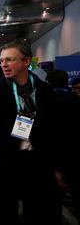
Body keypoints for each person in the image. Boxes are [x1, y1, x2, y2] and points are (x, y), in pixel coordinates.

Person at [0, 40, 62, 225]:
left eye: (10, 59)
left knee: (40, 212)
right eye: (2, 60)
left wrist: (57, 166)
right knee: (6, 213)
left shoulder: (43, 90)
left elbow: (53, 130)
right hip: (5, 162)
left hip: (36, 161)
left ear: (26, 61)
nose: (4, 64)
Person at [46, 70, 80, 222]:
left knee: (53, 201)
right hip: (74, 153)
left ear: (48, 82)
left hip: (52, 155)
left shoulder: (45, 101)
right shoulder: (76, 99)